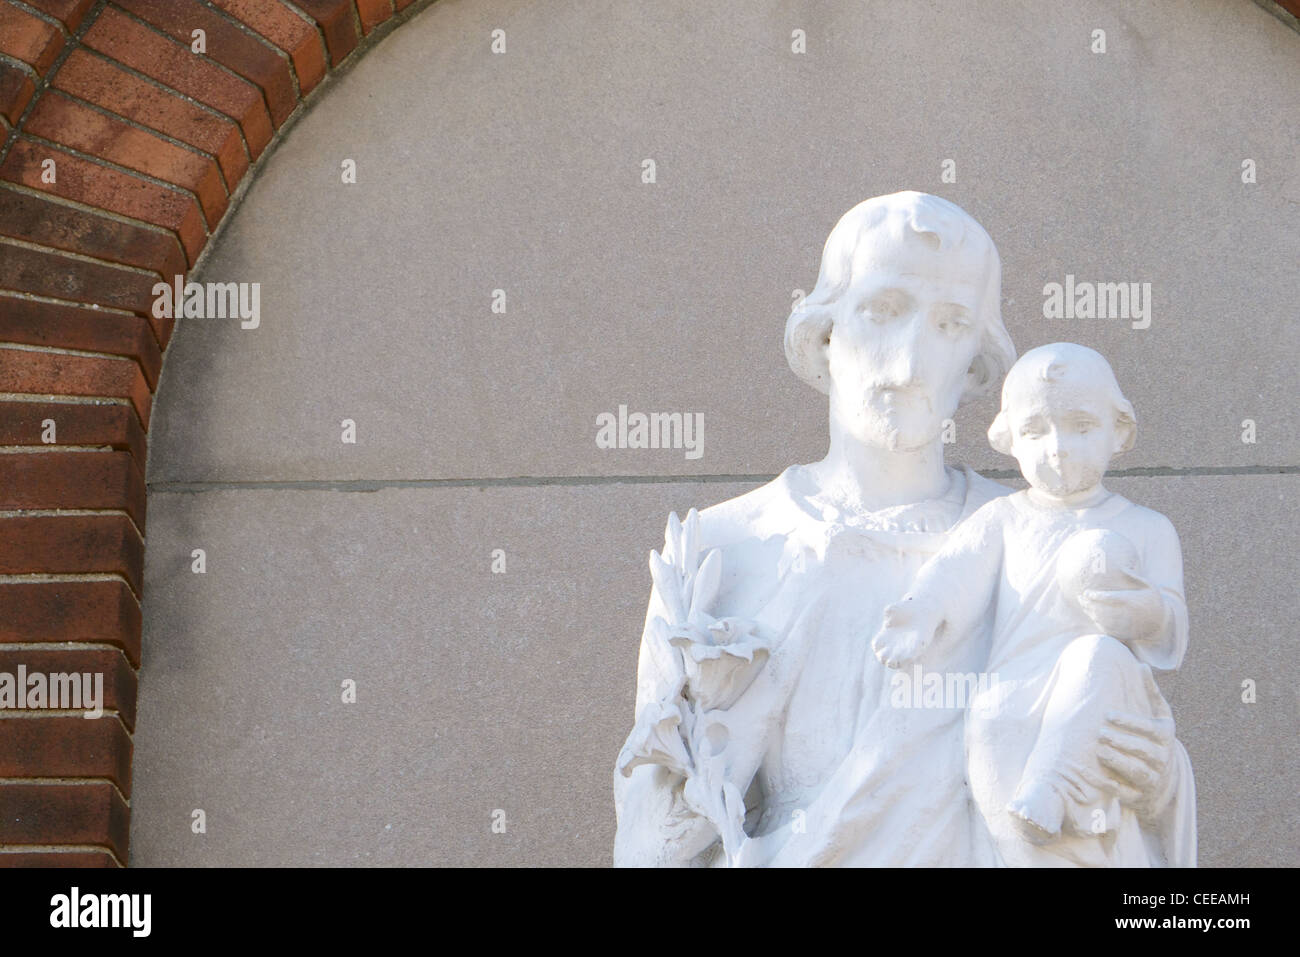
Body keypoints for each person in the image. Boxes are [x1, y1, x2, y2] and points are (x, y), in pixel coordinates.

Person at [612, 191, 1192, 867]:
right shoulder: (718, 551)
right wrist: (734, 733)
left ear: (978, 365)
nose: (911, 360)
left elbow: (1116, 755)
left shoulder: (1035, 540)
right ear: (824, 334)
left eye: (949, 326)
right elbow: (648, 846)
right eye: (883, 312)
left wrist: (1156, 783)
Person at [872, 342, 1195, 866]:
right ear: (1008, 440)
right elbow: (952, 575)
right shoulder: (1004, 520)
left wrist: (1136, 612)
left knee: (1096, 655)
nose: (1059, 447)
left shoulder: (1147, 528)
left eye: (1081, 426)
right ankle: (1032, 820)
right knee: (1000, 752)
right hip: (1012, 699)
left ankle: (1054, 783)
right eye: (1036, 431)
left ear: (1120, 430)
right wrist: (919, 614)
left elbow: (1170, 627)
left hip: (1106, 703)